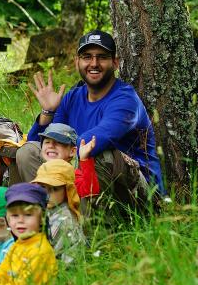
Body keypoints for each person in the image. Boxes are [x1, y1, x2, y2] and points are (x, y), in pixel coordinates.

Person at [16, 29, 165, 207]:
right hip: (84, 179)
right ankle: (51, 217)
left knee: (98, 153)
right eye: (87, 56)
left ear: (115, 63)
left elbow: (93, 142)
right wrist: (48, 112)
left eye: (102, 57)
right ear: (77, 62)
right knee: (28, 152)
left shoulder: (126, 100)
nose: (94, 63)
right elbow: (40, 144)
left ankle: (92, 227)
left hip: (137, 194)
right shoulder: (73, 97)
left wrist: (64, 154)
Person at [32, 159, 86, 264]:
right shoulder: (47, 208)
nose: (47, 193)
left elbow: (44, 253)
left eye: (54, 189)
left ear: (67, 190)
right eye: (42, 187)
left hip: (65, 272)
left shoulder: (64, 218)